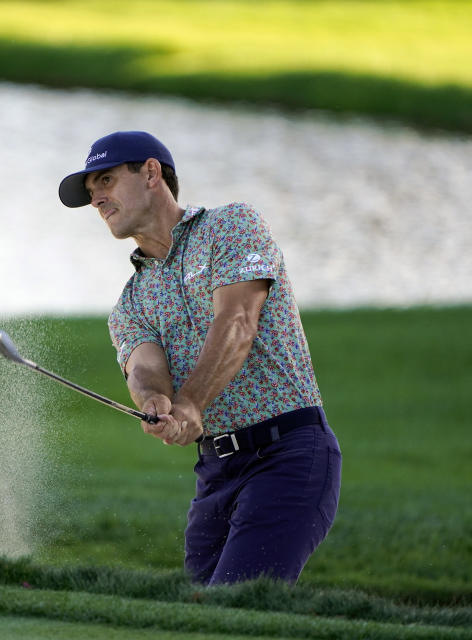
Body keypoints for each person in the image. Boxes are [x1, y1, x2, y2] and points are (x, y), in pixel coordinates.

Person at [57, 131, 341, 585]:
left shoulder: (230, 227)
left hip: (287, 454)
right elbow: (146, 367)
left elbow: (238, 322)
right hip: (215, 473)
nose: (97, 199)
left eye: (106, 181)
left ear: (151, 173)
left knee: (235, 609)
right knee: (202, 615)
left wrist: (190, 404)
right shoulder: (130, 304)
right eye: (92, 193)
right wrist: (155, 401)